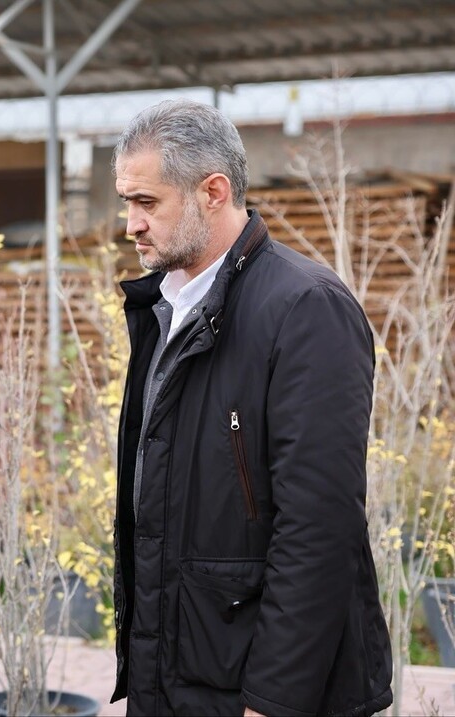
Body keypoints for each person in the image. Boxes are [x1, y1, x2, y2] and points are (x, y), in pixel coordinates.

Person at [110, 99, 392, 716]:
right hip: (176, 676)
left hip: (259, 691)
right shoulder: (162, 310)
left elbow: (318, 529)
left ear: (213, 191)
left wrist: (273, 700)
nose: (130, 223)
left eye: (146, 202)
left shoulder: (305, 309)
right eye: (126, 202)